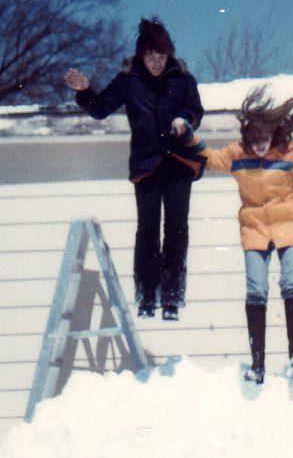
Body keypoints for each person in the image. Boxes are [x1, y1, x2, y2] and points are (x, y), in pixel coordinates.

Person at [183, 85, 293, 383]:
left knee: (291, 283)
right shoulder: (236, 154)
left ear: (274, 135)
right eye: (255, 141)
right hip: (255, 229)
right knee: (256, 289)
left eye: (265, 140)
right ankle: (257, 363)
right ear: (248, 137)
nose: (260, 146)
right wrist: (187, 137)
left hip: (289, 226)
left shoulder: (289, 152)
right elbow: (208, 156)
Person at [65, 17, 204, 321]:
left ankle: (171, 297)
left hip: (179, 163)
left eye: (162, 56)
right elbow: (100, 108)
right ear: (142, 54)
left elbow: (196, 110)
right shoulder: (129, 81)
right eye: (151, 56)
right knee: (148, 230)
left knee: (177, 229)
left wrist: (183, 119)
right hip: (147, 165)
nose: (156, 62)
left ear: (169, 55)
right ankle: (146, 296)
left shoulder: (182, 79)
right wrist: (86, 90)